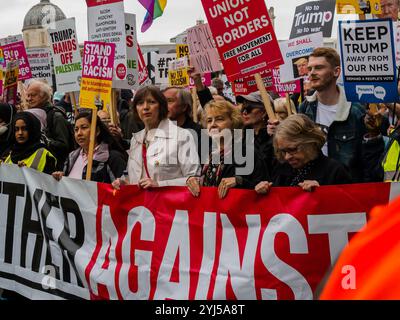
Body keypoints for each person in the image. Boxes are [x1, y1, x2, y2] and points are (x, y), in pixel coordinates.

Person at [269, 47, 366, 182]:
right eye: (310, 69)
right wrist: (281, 132)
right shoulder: (305, 108)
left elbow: (365, 161)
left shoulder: (355, 112)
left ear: (336, 71)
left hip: (344, 188)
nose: (312, 73)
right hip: (311, 189)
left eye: (319, 68)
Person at [112, 85, 200, 190]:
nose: (145, 107)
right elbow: (134, 177)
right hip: (142, 205)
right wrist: (124, 182)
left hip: (169, 204)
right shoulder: (136, 139)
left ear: (162, 106)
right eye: (140, 103)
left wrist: (159, 185)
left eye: (152, 102)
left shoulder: (182, 136)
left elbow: (194, 179)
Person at [186, 100, 267, 199]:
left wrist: (239, 181)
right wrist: (194, 180)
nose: (213, 124)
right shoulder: (207, 152)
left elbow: (263, 187)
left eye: (219, 119)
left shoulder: (247, 152)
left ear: (233, 121)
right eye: (209, 120)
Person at [255, 114, 352, 194]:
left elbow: (351, 209)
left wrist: (323, 193)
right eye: (283, 151)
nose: (287, 157)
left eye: (292, 149)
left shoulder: (334, 171)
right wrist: (264, 192)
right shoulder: (282, 169)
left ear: (309, 142)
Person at [52, 110, 127, 183]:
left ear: (97, 131)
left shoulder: (113, 158)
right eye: (76, 129)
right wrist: (61, 178)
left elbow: (123, 189)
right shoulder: (71, 157)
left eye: (84, 127)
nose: (79, 133)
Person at [26, 80, 73, 170]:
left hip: (54, 169)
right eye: (28, 95)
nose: (29, 99)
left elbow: (63, 146)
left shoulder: (56, 116)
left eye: (33, 95)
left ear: (44, 96)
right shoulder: (29, 115)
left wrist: (45, 140)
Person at [236, 91, 275, 171]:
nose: (244, 112)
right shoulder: (241, 137)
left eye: (249, 108)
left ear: (263, 112)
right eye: (243, 107)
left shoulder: (275, 137)